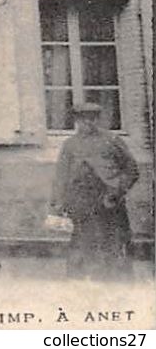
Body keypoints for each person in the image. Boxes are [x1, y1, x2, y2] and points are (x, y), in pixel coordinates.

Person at [49, 101, 139, 278]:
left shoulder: (112, 140)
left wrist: (116, 192)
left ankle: (115, 283)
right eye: (83, 120)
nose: (88, 123)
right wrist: (57, 206)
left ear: (98, 120)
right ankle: (81, 285)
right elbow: (61, 177)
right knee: (82, 244)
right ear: (76, 121)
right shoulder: (70, 144)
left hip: (108, 200)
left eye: (92, 119)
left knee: (114, 242)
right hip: (80, 202)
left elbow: (132, 171)